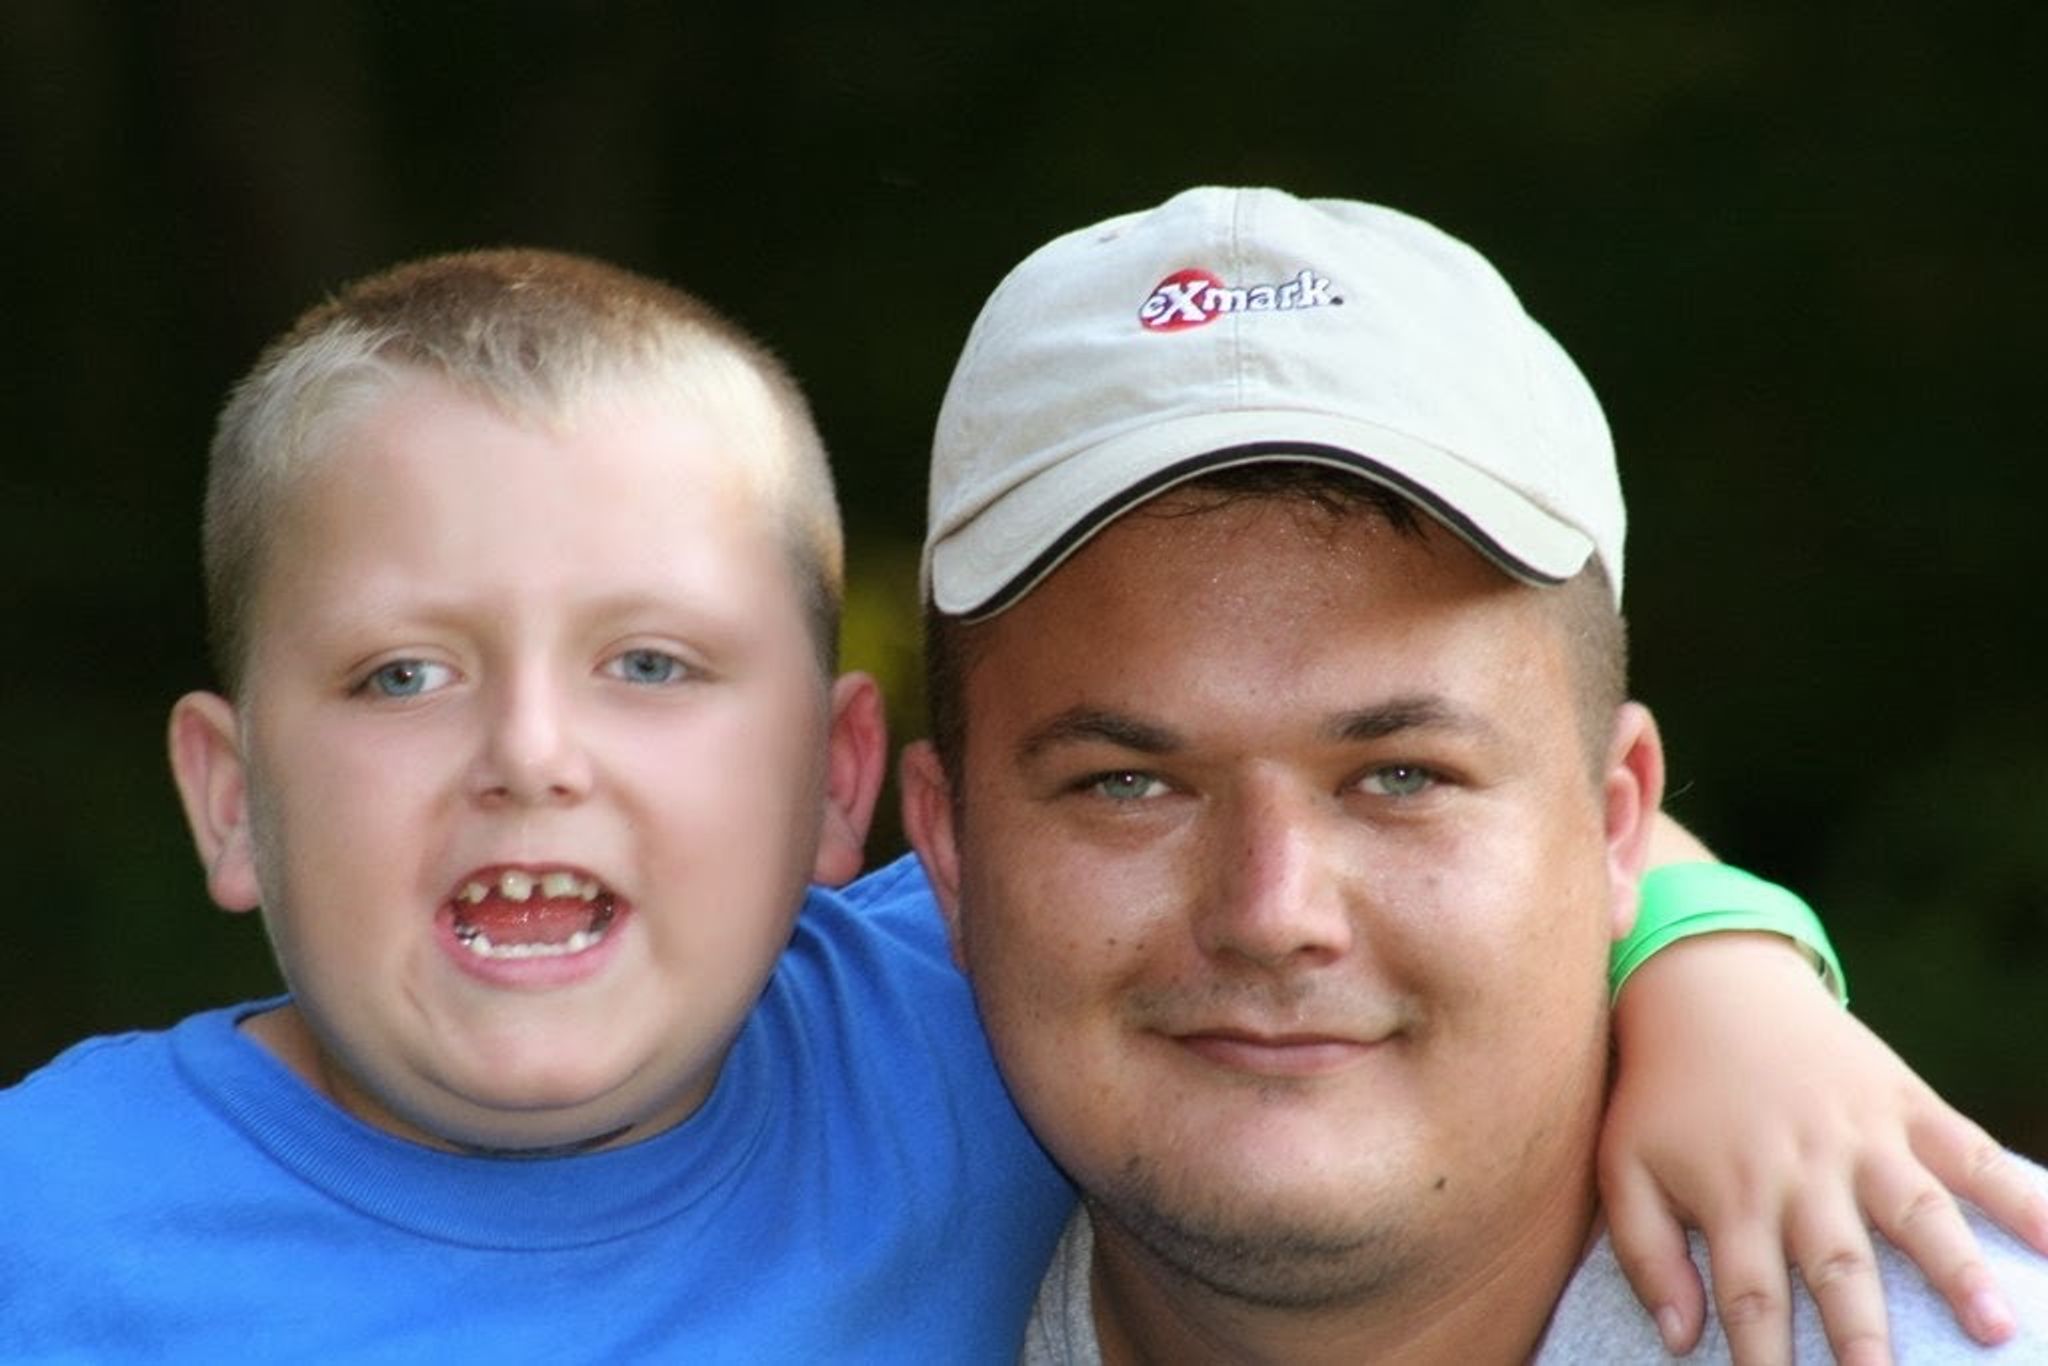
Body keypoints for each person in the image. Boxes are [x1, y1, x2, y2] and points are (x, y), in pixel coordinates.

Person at [0, 244, 2032, 1362]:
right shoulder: (50, 1220)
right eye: (400, 674)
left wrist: (1731, 977)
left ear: (839, 791)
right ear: (228, 795)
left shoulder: (910, 1031)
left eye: (651, 665)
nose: (532, 754)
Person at [898, 186, 2048, 1363]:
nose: (1270, 913)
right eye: (1125, 784)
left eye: (1401, 775)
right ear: (946, 848)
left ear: (1616, 827)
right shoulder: (809, 1244)